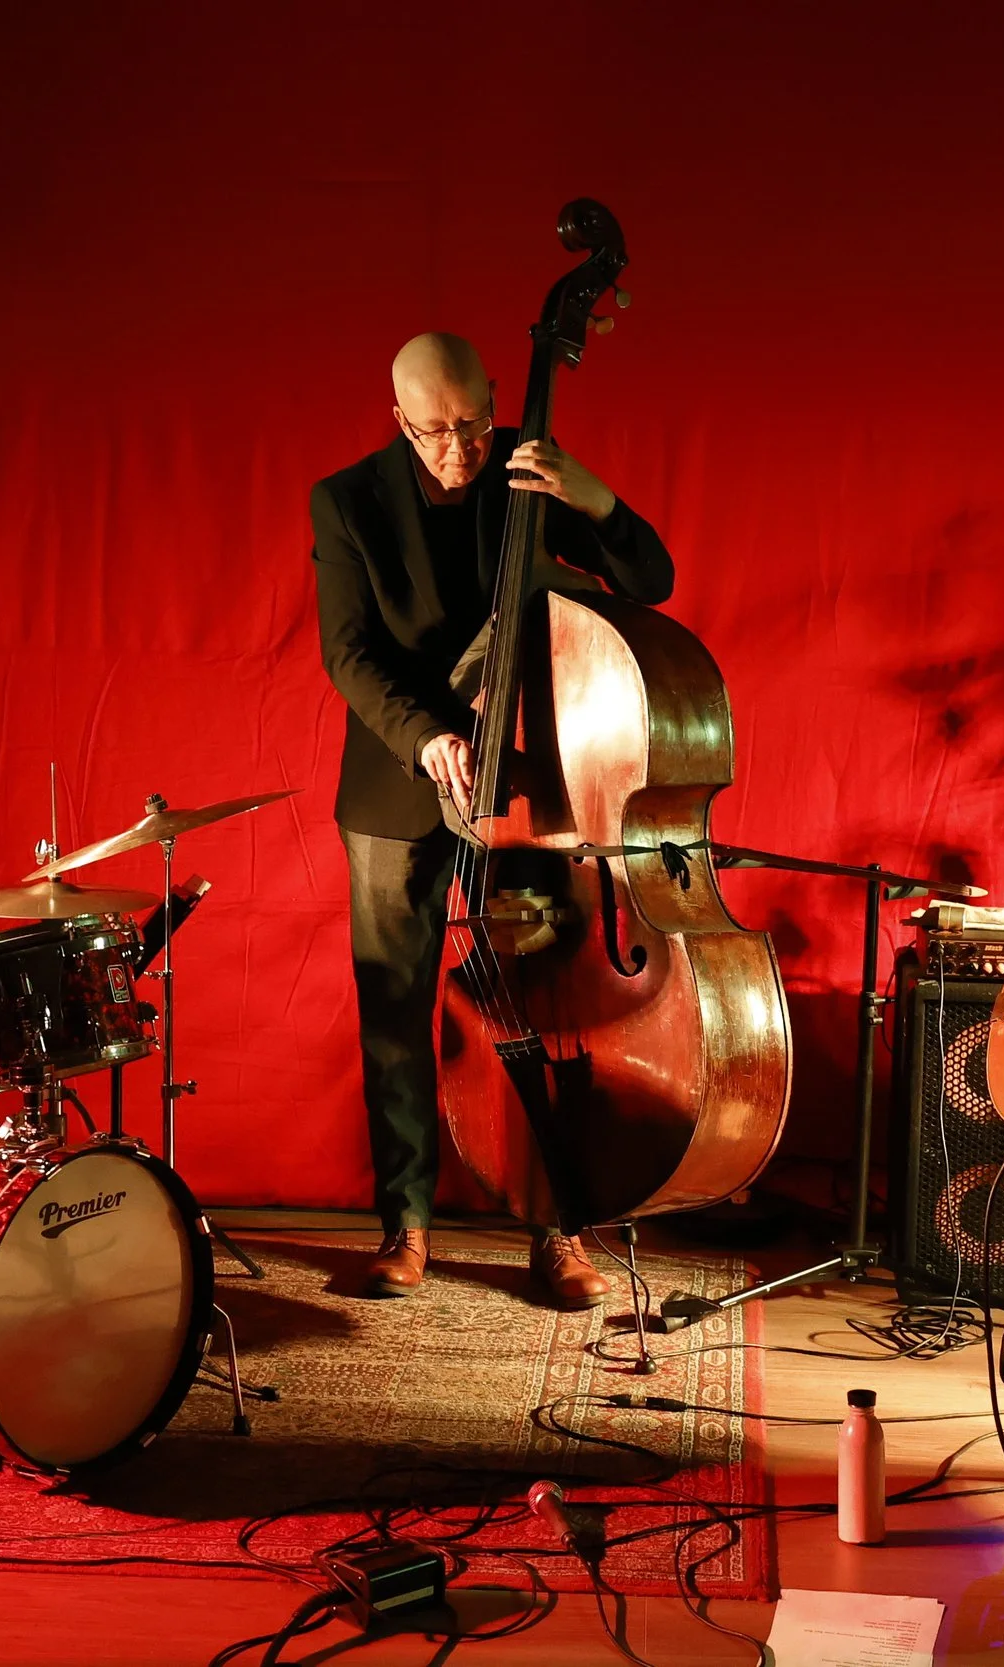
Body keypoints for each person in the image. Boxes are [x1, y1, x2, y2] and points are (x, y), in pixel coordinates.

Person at [311, 332, 676, 1306]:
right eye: (433, 431)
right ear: (399, 420)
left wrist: (594, 498)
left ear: (494, 400)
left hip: (525, 780)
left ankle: (558, 1226)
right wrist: (427, 733)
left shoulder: (526, 469)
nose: (457, 448)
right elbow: (348, 652)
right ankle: (406, 1224)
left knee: (544, 1001)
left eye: (472, 424)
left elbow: (651, 580)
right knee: (396, 1010)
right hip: (399, 780)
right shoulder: (345, 500)